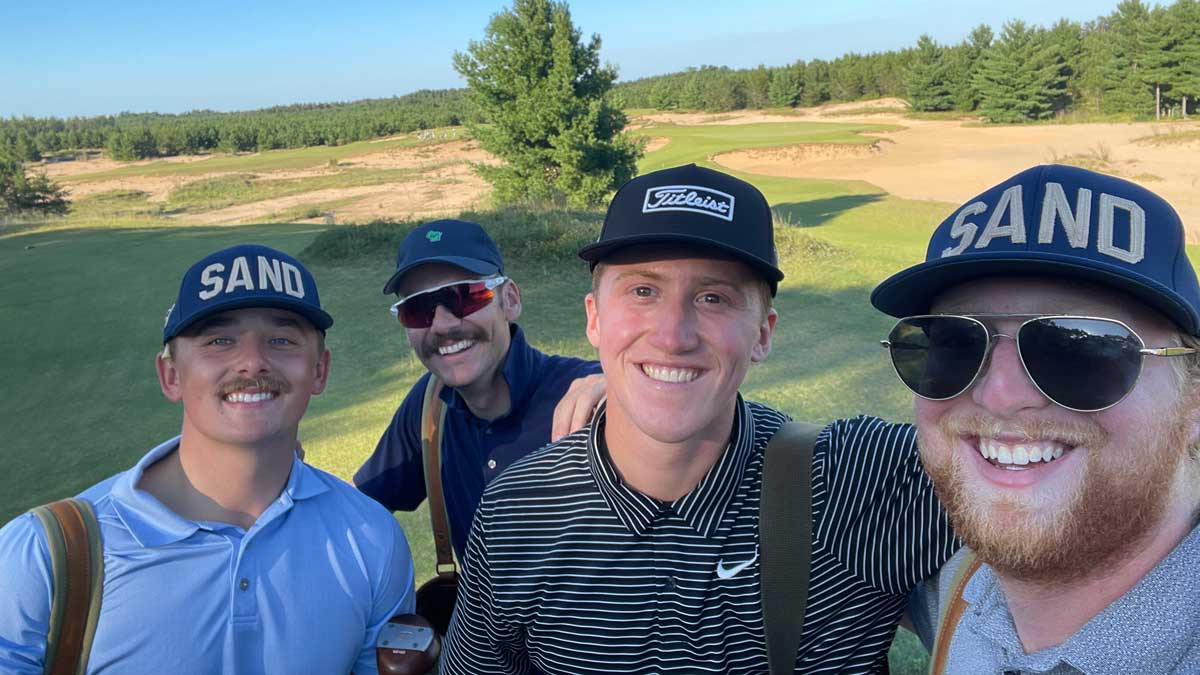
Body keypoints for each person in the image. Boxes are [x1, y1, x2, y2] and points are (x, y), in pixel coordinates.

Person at [439, 164, 958, 674]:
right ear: (596, 318)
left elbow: (1022, 476)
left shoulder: (863, 482)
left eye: (713, 298)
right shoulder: (518, 513)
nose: (673, 335)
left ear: (763, 333)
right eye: (643, 291)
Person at [0, 244, 416, 674]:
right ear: (171, 376)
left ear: (319, 371)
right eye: (220, 340)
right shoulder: (44, 556)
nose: (253, 361)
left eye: (281, 339)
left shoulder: (372, 540)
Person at [872, 165, 1200, 673]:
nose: (1000, 395)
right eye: (955, 344)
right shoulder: (957, 587)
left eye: (1081, 346)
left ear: (1194, 400)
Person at [354, 219, 601, 560]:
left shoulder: (592, 397)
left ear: (510, 300)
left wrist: (630, 391)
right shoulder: (429, 407)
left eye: (464, 297)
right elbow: (355, 508)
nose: (442, 324)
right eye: (417, 309)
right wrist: (291, 478)